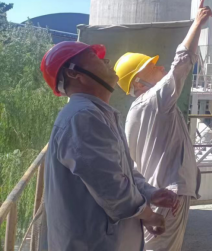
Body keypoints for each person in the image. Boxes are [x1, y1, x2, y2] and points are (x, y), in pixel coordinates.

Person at [41, 41, 178, 251]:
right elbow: (111, 187)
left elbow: (122, 170)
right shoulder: (83, 117)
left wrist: (149, 192)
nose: (105, 60)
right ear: (74, 73)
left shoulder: (97, 113)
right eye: (94, 57)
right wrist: (149, 215)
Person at [114, 0, 212, 251]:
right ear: (138, 82)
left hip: (157, 194)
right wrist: (197, 23)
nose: (159, 66)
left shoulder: (137, 110)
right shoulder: (154, 100)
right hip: (169, 196)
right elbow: (181, 63)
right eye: (151, 66)